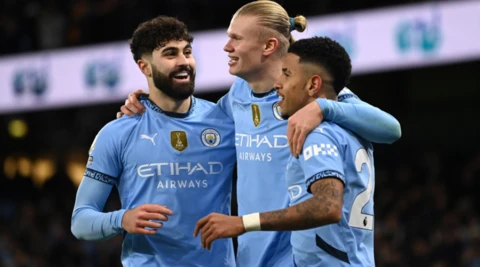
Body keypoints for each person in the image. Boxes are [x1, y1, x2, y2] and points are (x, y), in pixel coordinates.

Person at [118, 1, 401, 266]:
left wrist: (323, 108)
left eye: (236, 38)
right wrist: (151, 104)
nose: (226, 47)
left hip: (302, 255)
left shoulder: (311, 98)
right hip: (253, 256)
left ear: (269, 45)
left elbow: (391, 129)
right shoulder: (238, 95)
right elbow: (195, 125)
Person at [70, 16, 237, 267]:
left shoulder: (225, 122)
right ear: (144, 67)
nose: (184, 62)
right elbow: (80, 221)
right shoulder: (117, 133)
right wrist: (122, 219)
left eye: (187, 52)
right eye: (170, 54)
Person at [195, 36, 375, 267]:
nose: (278, 83)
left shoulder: (316, 134)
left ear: (313, 85)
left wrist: (242, 222)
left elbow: (327, 207)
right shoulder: (354, 127)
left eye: (287, 74)